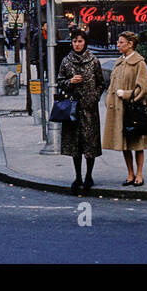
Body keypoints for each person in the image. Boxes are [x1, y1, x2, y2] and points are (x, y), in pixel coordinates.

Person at [102, 31, 147, 186]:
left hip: (134, 110)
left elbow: (144, 88)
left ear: (130, 44)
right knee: (124, 143)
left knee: (137, 143)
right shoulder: (119, 62)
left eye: (121, 42)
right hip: (120, 110)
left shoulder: (139, 63)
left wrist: (125, 94)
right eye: (118, 42)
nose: (118, 45)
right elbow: (112, 85)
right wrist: (109, 100)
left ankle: (139, 174)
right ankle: (130, 173)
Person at [58, 30, 105, 192]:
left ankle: (89, 176)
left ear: (85, 42)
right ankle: (77, 176)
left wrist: (95, 97)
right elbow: (60, 82)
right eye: (74, 41)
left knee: (90, 144)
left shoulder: (93, 61)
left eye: (80, 41)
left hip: (89, 109)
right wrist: (70, 81)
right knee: (74, 144)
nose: (77, 44)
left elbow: (101, 83)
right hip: (72, 108)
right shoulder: (66, 61)